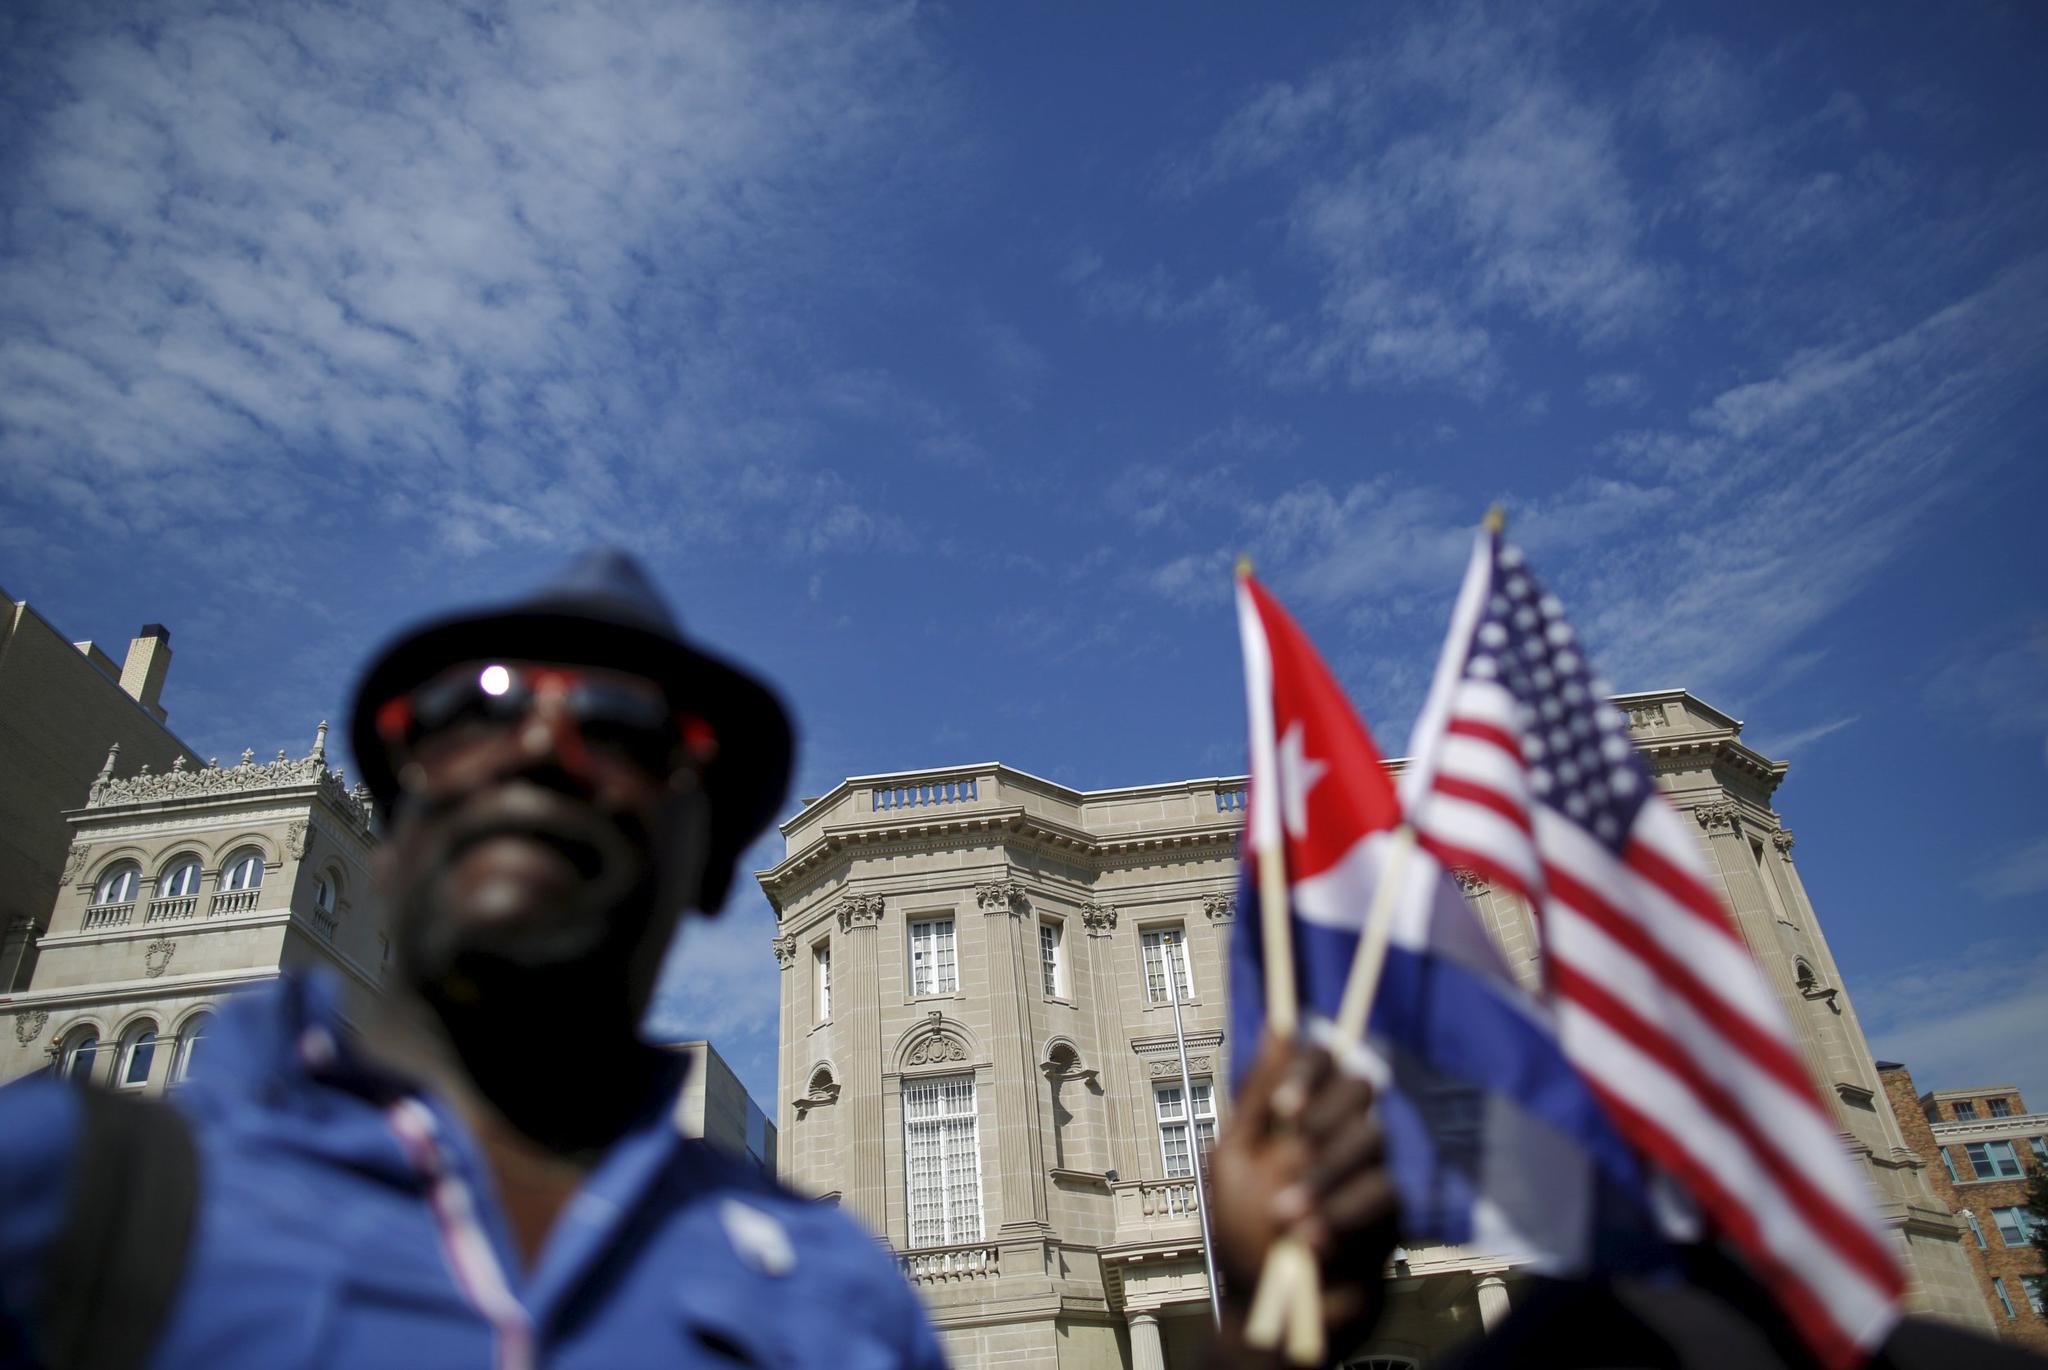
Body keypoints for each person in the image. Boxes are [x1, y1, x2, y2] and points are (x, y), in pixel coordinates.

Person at [0, 550, 947, 1369]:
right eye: (470, 711)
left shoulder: (831, 1306)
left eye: (627, 731)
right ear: (392, 833)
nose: (542, 744)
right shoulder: (66, 1191)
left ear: (704, 864)